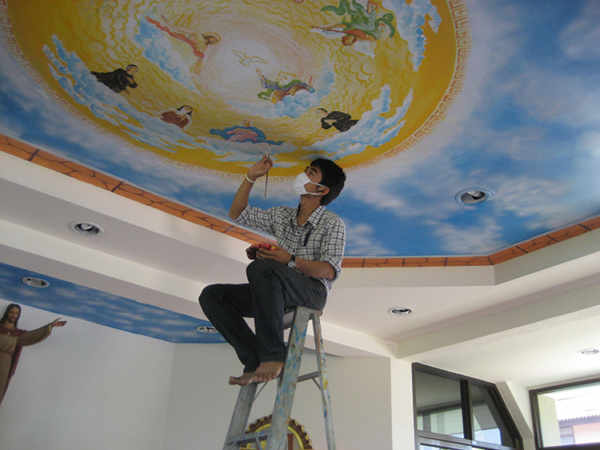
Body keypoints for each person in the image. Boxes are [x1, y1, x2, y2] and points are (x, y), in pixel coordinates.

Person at [199, 156, 346, 385]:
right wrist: (251, 177)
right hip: (275, 288)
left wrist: (290, 260)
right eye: (305, 169)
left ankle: (273, 356)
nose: (303, 174)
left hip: (311, 292)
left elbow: (328, 270)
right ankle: (253, 359)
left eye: (311, 172)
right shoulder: (283, 216)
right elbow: (238, 213)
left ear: (322, 189)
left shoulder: (332, 223)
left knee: (263, 268)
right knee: (212, 295)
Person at [0, 303, 66, 405]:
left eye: (16, 313)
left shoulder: (18, 334)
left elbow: (32, 336)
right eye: (11, 312)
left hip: (4, 364)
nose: (13, 315)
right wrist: (11, 341)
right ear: (7, 313)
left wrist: (50, 326)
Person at [145, 15, 220, 76]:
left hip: (191, 52)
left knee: (199, 59)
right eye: (214, 38)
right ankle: (149, 21)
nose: (213, 40)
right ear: (211, 36)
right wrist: (169, 24)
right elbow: (182, 30)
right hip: (185, 43)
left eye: (215, 41)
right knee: (166, 31)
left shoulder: (205, 46)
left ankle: (194, 73)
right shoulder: (198, 34)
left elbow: (200, 55)